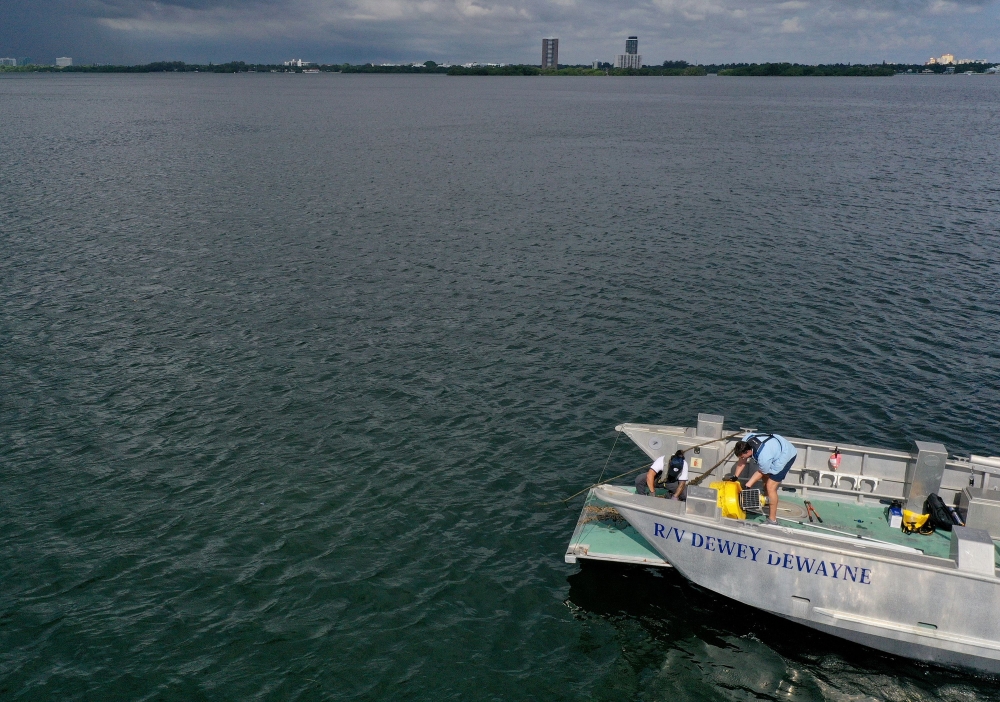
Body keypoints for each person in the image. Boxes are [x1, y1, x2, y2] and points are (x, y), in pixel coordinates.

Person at [730, 432, 798, 524]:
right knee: (766, 476)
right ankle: (767, 500)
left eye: (742, 456)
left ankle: (772, 520)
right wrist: (735, 477)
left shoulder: (764, 457)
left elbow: (762, 472)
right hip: (774, 447)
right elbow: (742, 461)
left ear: (748, 452)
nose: (742, 458)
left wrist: (748, 485)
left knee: (770, 486)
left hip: (785, 455)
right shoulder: (745, 442)